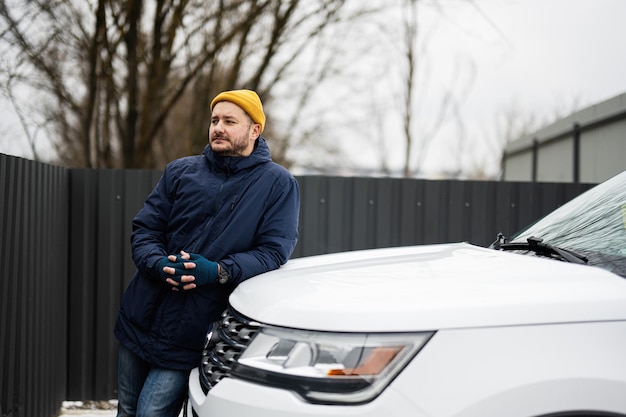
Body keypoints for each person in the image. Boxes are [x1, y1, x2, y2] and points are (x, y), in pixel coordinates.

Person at [113, 89, 300, 416]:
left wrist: (217, 271)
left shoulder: (277, 184)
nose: (218, 127)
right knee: (127, 410)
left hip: (193, 329)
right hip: (141, 314)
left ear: (255, 130)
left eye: (230, 121)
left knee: (150, 413)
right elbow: (146, 229)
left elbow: (273, 252)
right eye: (215, 120)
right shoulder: (180, 171)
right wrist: (157, 264)